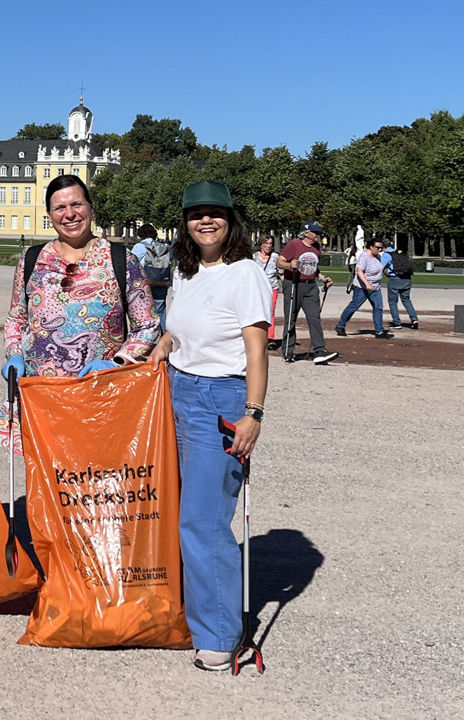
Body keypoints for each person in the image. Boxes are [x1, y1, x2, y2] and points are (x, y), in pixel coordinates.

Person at [146, 180, 271, 672]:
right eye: (195, 213)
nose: (205, 220)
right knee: (172, 507)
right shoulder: (187, 270)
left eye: (214, 213)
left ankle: (220, 633)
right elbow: (178, 331)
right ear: (185, 222)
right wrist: (163, 344)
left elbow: (257, 351)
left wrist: (254, 413)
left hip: (219, 397)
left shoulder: (246, 274)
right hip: (175, 390)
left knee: (201, 519)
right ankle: (186, 610)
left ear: (230, 219)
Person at [0, 174, 160, 453]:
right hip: (42, 397)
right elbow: (17, 319)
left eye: (77, 205)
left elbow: (148, 325)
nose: (69, 214)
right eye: (59, 208)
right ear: (49, 214)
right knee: (44, 484)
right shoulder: (32, 260)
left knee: (97, 483)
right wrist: (14, 354)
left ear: (90, 208)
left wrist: (119, 362)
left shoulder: (121, 259)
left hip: (101, 395)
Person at [276, 221, 338, 364]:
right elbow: (280, 262)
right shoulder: (294, 244)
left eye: (318, 232)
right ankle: (288, 351)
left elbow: (313, 268)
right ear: (306, 233)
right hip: (293, 284)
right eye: (315, 232)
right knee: (291, 318)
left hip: (310, 286)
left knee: (314, 318)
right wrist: (289, 265)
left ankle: (320, 350)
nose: (317, 235)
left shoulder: (316, 247)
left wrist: (322, 278)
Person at [336, 239, 392, 339]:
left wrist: (389, 274)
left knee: (378, 307)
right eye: (378, 248)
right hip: (362, 287)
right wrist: (367, 284)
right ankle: (340, 326)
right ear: (371, 247)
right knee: (354, 306)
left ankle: (379, 331)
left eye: (381, 248)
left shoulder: (378, 256)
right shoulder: (364, 257)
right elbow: (360, 271)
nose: (380, 250)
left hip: (376, 287)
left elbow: (380, 269)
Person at [130, 223, 172, 328]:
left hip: (147, 282)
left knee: (145, 311)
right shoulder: (161, 246)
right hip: (162, 280)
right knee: (161, 310)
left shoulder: (139, 246)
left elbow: (131, 263)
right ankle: (162, 334)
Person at [381, 245, 419, 330]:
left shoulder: (386, 254)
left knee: (393, 302)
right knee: (406, 300)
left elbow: (381, 267)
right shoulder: (400, 253)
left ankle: (397, 322)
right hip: (407, 278)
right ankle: (414, 319)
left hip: (395, 279)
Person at [254, 236, 282, 351]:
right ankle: (256, 336)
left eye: (270, 243)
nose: (268, 246)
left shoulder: (275, 257)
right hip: (256, 289)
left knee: (270, 312)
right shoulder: (253, 257)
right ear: (261, 244)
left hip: (272, 288)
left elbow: (281, 273)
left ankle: (270, 338)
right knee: (255, 312)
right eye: (266, 243)